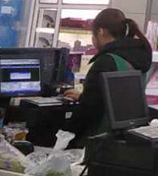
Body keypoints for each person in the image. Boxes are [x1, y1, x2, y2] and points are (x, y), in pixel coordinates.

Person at [63, 8, 152, 146]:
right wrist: (83, 97)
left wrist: (63, 138)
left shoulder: (106, 62)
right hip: (123, 139)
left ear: (101, 31)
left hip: (98, 141)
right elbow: (115, 99)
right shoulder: (137, 57)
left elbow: (87, 112)